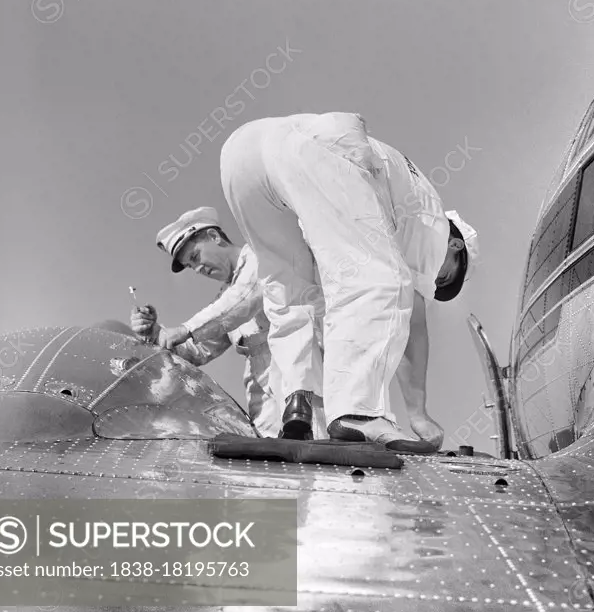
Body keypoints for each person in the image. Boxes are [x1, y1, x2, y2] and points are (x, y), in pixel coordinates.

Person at [219, 112, 478, 452]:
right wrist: (418, 414)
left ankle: (298, 401)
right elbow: (411, 312)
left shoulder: (390, 195)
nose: (434, 282)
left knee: (289, 288)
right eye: (444, 275)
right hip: (322, 146)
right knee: (382, 280)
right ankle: (358, 411)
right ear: (456, 247)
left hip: (242, 153)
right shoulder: (432, 222)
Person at [129, 206, 327, 438]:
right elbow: (198, 350)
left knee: (319, 446)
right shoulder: (223, 300)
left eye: (195, 257)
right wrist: (155, 334)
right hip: (263, 394)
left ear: (214, 237)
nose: (199, 269)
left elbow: (246, 296)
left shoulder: (261, 256)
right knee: (273, 461)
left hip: (304, 370)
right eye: (192, 267)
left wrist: (185, 329)